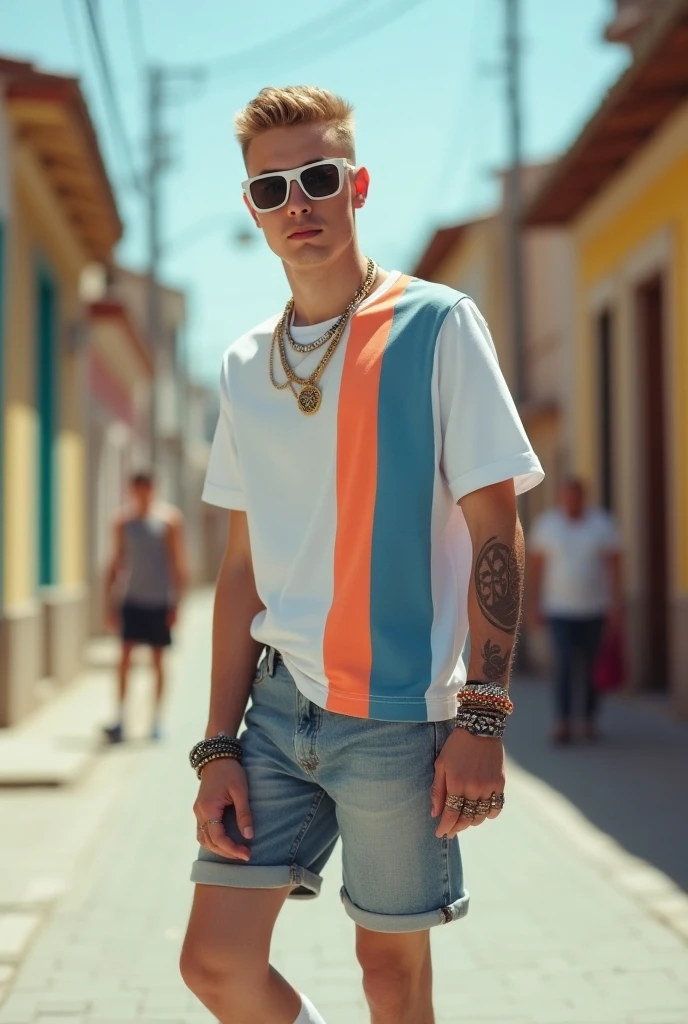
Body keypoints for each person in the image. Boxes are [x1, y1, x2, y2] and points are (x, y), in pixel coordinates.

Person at [180, 85, 544, 1024]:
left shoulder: (437, 326)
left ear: (357, 184)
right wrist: (217, 743)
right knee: (215, 964)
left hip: (400, 721)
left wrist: (486, 716)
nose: (296, 203)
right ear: (254, 208)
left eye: (317, 177)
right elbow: (237, 574)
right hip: (275, 710)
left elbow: (497, 530)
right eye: (271, 189)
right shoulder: (244, 364)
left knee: (391, 978)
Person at [527, 476, 623, 745]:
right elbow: (536, 568)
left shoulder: (601, 524)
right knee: (565, 663)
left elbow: (615, 565)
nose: (571, 501)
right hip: (559, 609)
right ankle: (563, 721)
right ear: (561, 497)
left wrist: (616, 604)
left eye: (575, 495)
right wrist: (534, 605)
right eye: (566, 495)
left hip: (595, 608)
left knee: (592, 666)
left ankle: (589, 718)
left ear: (583, 497)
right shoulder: (547, 525)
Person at [103, 471, 188, 743]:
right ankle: (120, 717)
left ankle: (156, 720)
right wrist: (110, 604)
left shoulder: (169, 520)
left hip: (159, 601)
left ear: (153, 489)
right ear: (131, 489)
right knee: (125, 659)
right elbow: (115, 562)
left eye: (146, 488)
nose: (142, 493)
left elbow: (178, 563)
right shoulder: (122, 521)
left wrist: (176, 605)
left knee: (158, 660)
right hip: (131, 600)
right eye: (137, 488)